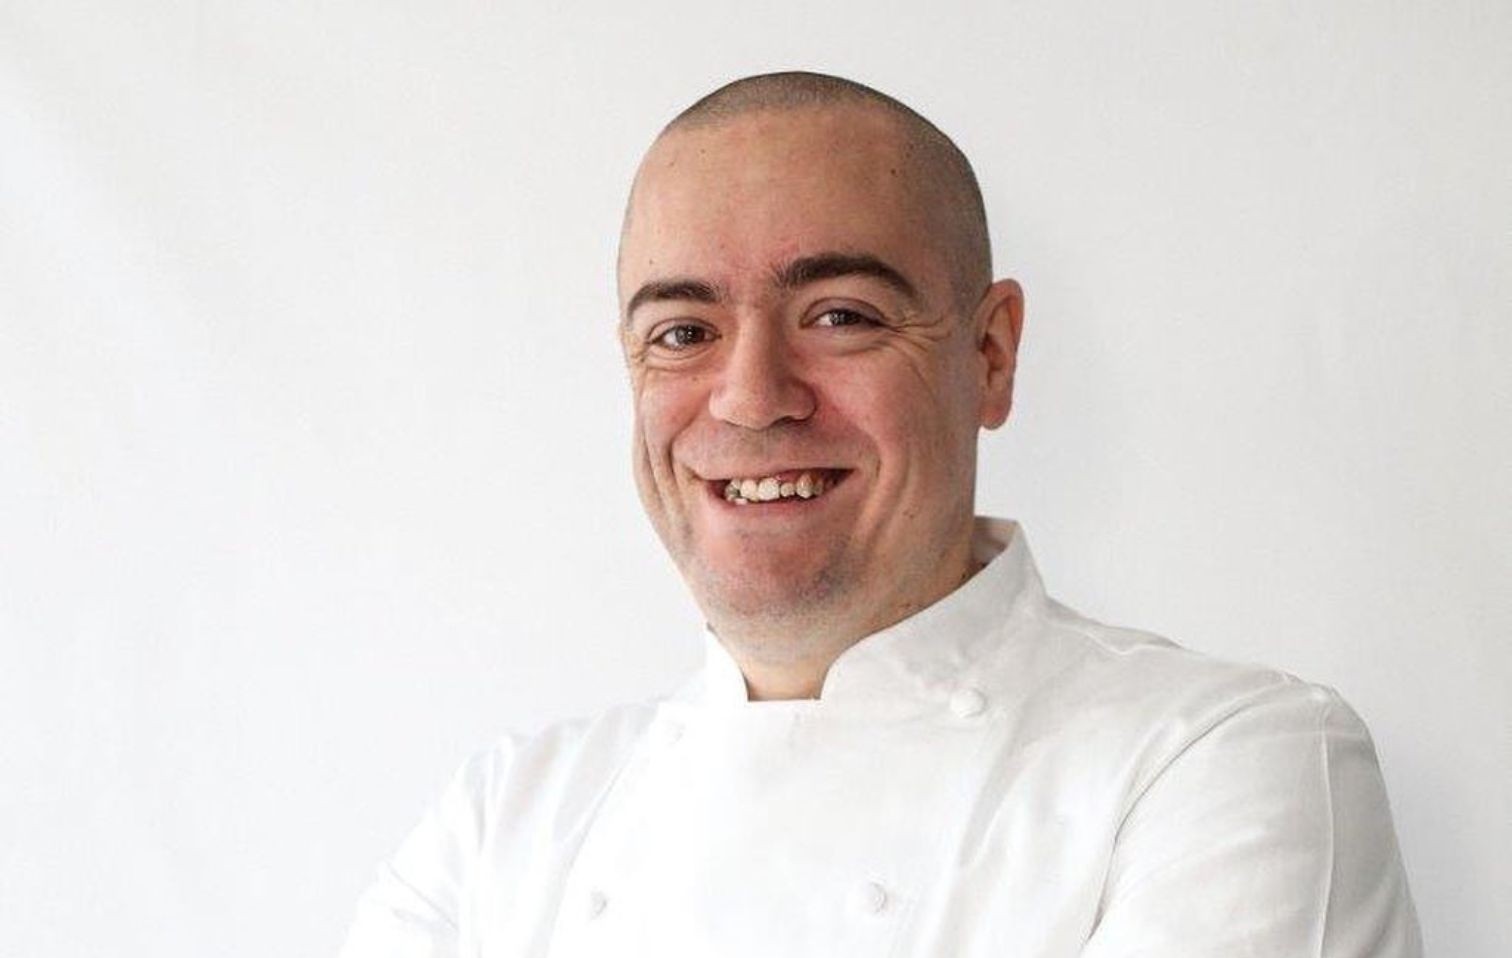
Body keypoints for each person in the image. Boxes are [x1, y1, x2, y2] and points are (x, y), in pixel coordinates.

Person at [338, 72, 1421, 957]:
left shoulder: (1219, 762)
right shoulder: (505, 822)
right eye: (682, 332)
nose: (752, 397)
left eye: (840, 315)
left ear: (989, 356)